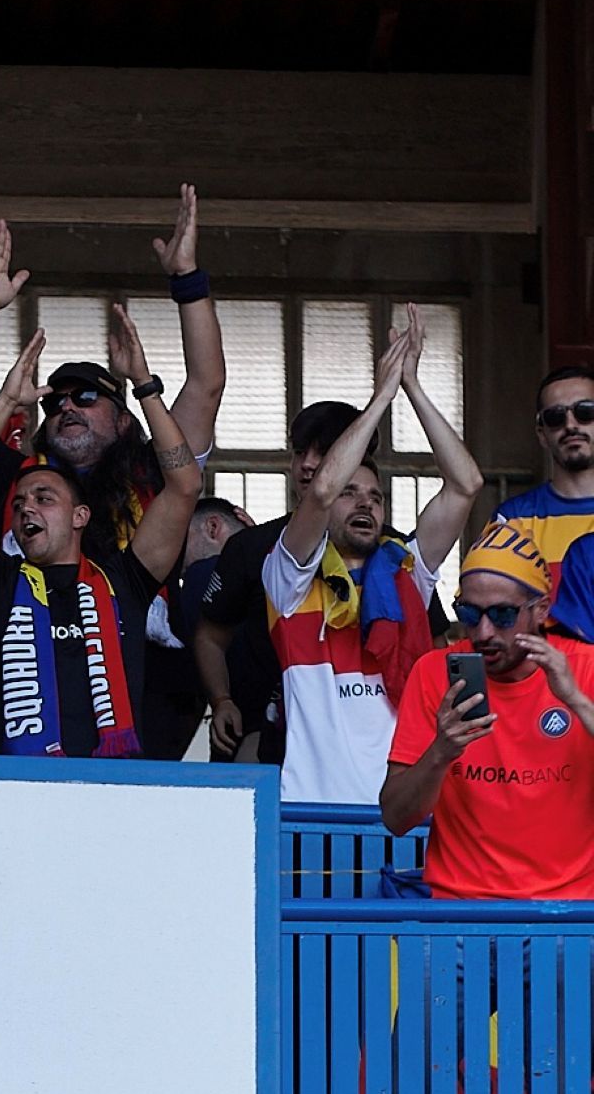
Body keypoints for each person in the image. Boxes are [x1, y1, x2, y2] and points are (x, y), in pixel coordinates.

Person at [0, 186, 224, 757]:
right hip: (18, 687)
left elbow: (206, 386)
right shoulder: (16, 477)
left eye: (87, 397)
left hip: (139, 690)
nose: (66, 406)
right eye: (55, 401)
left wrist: (187, 280)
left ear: (123, 419)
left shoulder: (152, 466)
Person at [262, 306, 483, 804]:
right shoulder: (289, 579)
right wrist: (382, 396)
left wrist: (412, 387)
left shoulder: (407, 573)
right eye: (351, 493)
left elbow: (466, 484)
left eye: (375, 497)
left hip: (404, 812)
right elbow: (321, 490)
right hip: (315, 812)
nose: (364, 503)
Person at [382, 522, 594, 899]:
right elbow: (396, 819)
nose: (483, 633)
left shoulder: (585, 667)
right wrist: (440, 753)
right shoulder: (433, 673)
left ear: (541, 610)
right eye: (469, 613)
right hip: (460, 908)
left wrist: (576, 700)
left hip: (569, 910)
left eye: (502, 615)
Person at [193, 399, 379, 766]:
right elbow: (209, 637)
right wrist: (222, 700)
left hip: (365, 743)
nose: (307, 464)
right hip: (262, 737)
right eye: (299, 452)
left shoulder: (392, 552)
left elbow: (432, 645)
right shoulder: (252, 546)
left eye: (323, 452)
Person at [492, 365, 594, 613]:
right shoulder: (513, 519)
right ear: (542, 434)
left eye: (585, 412)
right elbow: (490, 609)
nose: (570, 425)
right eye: (555, 417)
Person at [179, 496, 254, 761]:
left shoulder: (204, 572)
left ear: (212, 527)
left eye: (180, 536)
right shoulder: (277, 574)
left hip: (242, 730)